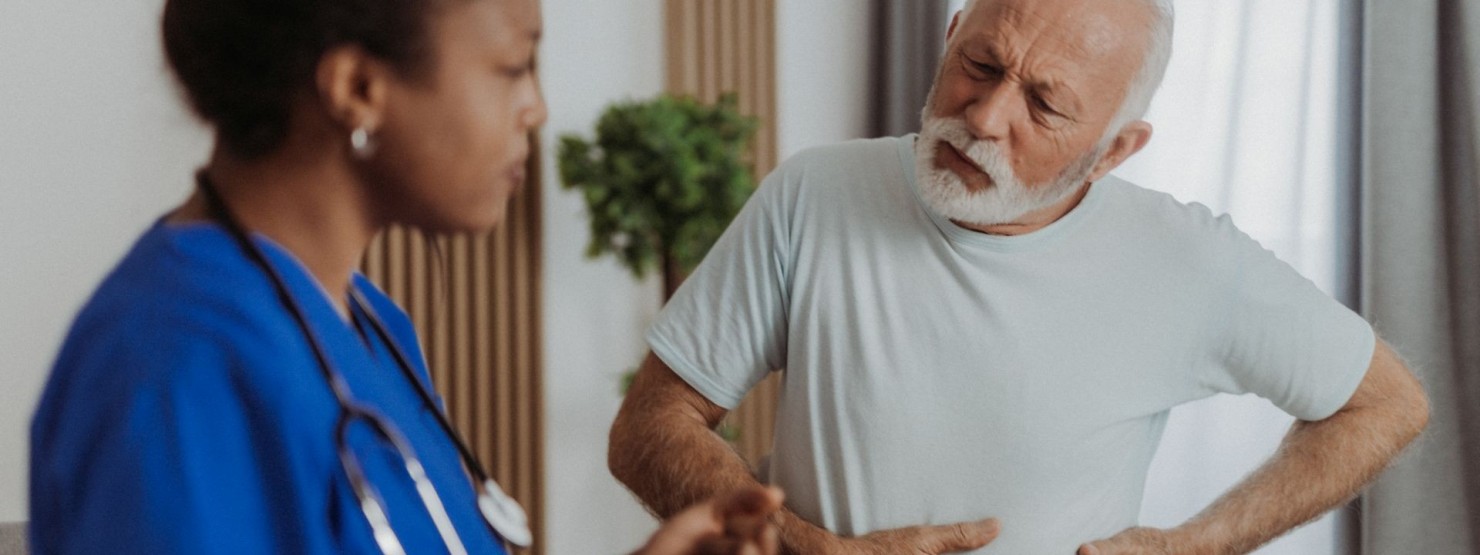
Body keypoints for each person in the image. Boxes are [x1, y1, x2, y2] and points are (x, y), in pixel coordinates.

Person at [608, 0, 1431, 553]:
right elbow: (652, 423)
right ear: (951, 33)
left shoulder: (1189, 259)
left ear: (1114, 150)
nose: (985, 116)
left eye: (1045, 104)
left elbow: (1387, 402)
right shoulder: (815, 192)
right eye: (981, 63)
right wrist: (810, 548)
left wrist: (1195, 543)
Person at [28, 0, 782, 553]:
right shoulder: (171, 370)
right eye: (514, 66)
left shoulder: (373, 325)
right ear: (358, 87)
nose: (536, 108)